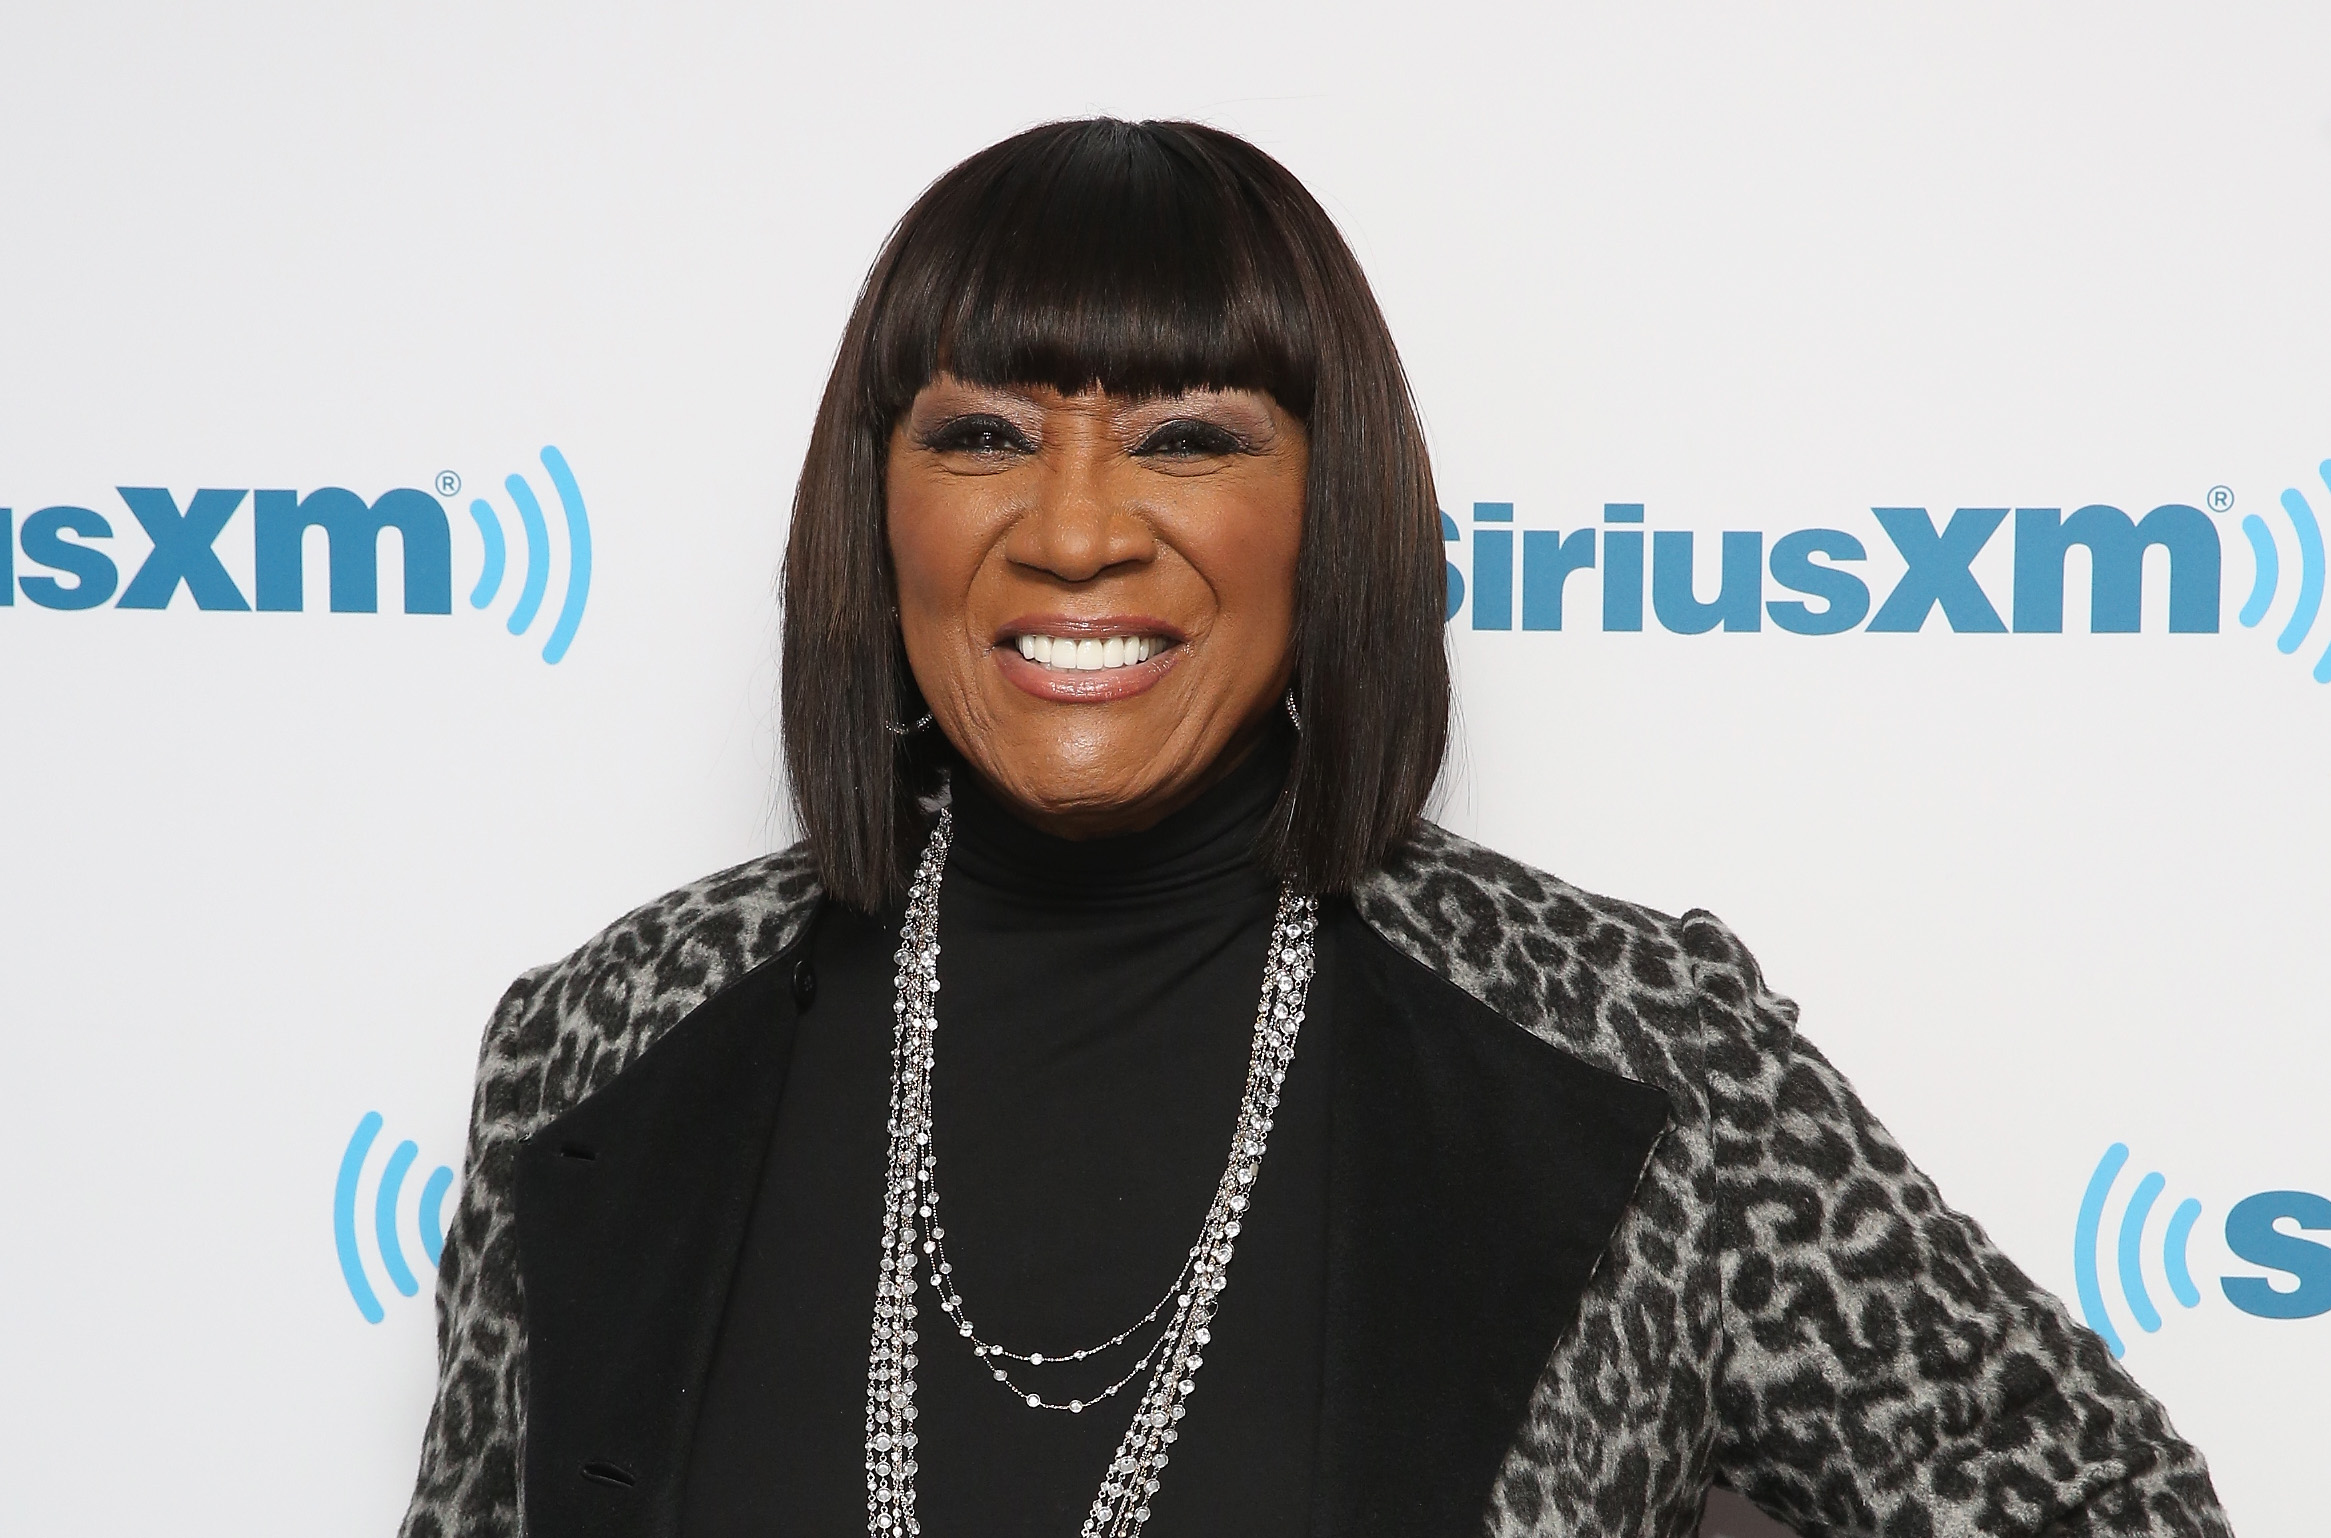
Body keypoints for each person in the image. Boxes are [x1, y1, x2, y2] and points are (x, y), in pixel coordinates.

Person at [399, 119, 2231, 1538]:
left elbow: (2107, 1504)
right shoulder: (604, 1044)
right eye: (982, 436)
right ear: (874, 513)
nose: (1076, 529)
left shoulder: (1631, 1051)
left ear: (1328, 510)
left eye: (1189, 437)